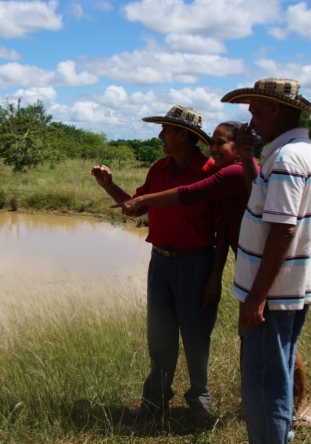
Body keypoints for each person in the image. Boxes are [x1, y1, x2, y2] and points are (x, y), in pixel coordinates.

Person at [114, 121, 311, 428]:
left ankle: (298, 403)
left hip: (264, 264)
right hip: (246, 262)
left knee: (273, 338)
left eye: (221, 143)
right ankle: (253, 403)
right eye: (213, 143)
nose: (214, 149)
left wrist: (144, 200)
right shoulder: (205, 170)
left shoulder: (228, 172)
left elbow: (191, 195)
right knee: (252, 338)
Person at [91, 105, 218, 421]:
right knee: (159, 336)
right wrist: (108, 184)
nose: (161, 135)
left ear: (185, 136)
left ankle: (199, 402)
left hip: (196, 262)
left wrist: (215, 276)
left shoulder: (210, 171)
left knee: (196, 336)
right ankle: (155, 400)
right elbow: (135, 208)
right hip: (160, 261)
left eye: (167, 130)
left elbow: (225, 228)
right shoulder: (159, 169)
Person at [223, 78, 311, 444]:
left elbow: (282, 231)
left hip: (274, 294)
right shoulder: (297, 151)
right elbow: (262, 199)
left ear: (275, 109)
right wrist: (249, 157)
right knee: (277, 374)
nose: (250, 115)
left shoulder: (287, 158)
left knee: (264, 385)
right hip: (285, 289)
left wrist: (257, 297)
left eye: (255, 107)